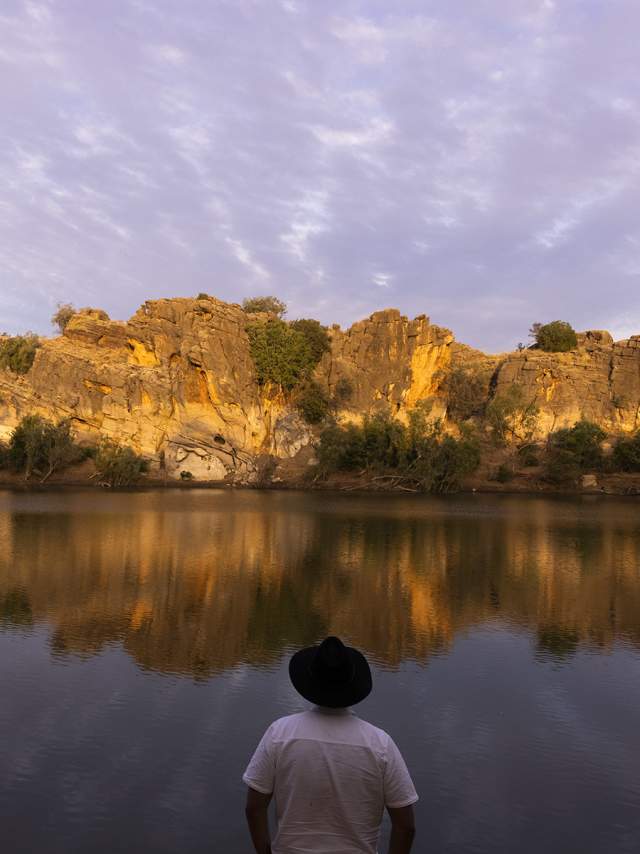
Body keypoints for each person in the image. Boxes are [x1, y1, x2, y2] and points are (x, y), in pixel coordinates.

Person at [243, 636, 417, 854]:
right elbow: (406, 825)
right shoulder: (380, 744)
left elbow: (254, 808)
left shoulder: (280, 733)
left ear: (311, 681)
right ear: (352, 684)